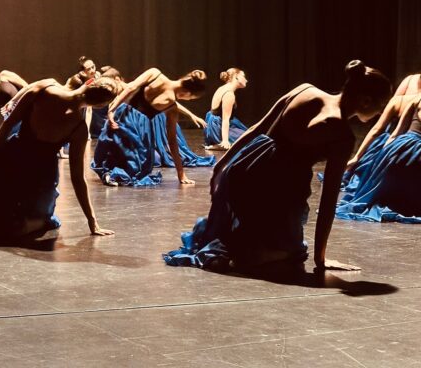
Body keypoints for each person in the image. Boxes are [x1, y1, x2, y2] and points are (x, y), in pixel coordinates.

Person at [164, 60, 392, 273]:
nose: (381, 112)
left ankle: (241, 244)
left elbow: (256, 128)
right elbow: (329, 198)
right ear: (365, 101)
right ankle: (243, 252)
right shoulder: (342, 137)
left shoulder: (305, 90)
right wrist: (320, 259)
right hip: (278, 189)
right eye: (381, 106)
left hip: (245, 168)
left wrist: (222, 166)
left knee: (258, 233)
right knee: (293, 252)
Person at [0, 77, 120, 241]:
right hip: (40, 177)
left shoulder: (45, 88)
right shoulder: (78, 128)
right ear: (99, 105)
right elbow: (77, 177)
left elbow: (7, 125)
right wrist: (92, 221)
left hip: (11, 162)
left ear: (89, 82)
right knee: (30, 222)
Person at [92, 68, 213, 187]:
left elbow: (130, 88)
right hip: (139, 128)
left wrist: (112, 110)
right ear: (187, 93)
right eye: (190, 98)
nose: (187, 99)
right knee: (136, 165)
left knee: (112, 149)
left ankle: (109, 172)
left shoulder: (155, 73)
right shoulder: (171, 107)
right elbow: (172, 141)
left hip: (123, 115)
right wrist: (181, 174)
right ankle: (115, 174)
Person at [335, 92, 421, 223]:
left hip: (400, 149)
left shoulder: (415, 100)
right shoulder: (412, 100)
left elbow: (396, 133)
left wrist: (382, 157)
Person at [204, 68, 248, 150]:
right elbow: (225, 119)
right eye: (244, 76)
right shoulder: (229, 94)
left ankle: (218, 142)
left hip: (213, 126)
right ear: (237, 76)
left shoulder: (222, 88)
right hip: (217, 128)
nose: (246, 80)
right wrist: (225, 140)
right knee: (252, 140)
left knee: (250, 134)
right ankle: (221, 142)